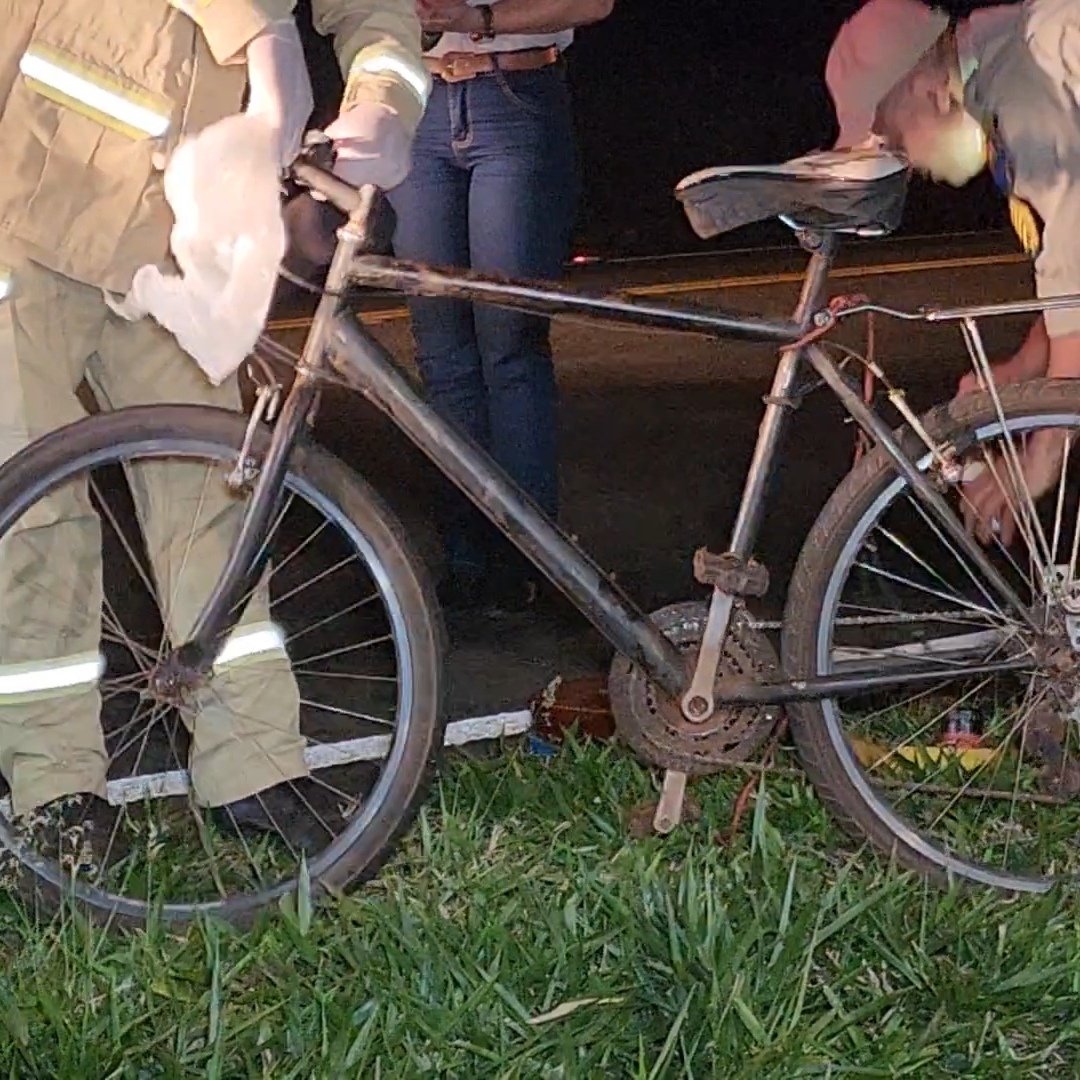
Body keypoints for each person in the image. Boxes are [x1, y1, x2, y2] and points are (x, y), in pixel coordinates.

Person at [0, 0, 430, 837]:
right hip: (23, 213)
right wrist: (260, 30)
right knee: (34, 519)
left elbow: (375, 10)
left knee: (218, 507)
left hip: (182, 245)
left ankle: (255, 771)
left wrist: (384, 99)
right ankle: (56, 795)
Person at [387, 0, 614, 614]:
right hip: (414, 100)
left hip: (515, 93)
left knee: (509, 342)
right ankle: (465, 560)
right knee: (441, 350)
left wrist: (476, 18)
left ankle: (529, 559)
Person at [825, 0, 1080, 546]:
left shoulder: (1028, 82)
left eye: (892, 135)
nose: (903, 160)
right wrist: (1022, 371)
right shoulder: (1006, 71)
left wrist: (1042, 455)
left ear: (928, 88)